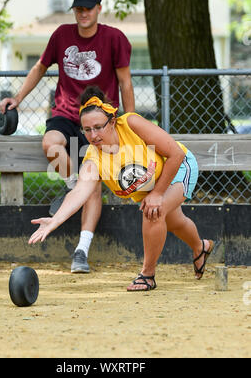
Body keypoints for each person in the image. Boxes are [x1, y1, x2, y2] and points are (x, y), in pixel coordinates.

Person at [0, 0, 135, 274]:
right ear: (74, 10)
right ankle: (74, 187)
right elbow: (38, 67)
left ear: (98, 8)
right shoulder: (61, 35)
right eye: (78, 8)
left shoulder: (114, 38)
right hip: (67, 115)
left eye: (88, 7)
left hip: (100, 121)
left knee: (94, 183)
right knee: (51, 144)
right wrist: (17, 100)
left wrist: (130, 123)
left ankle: (81, 252)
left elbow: (125, 83)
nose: (83, 13)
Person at [28, 86, 215, 291]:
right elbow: (79, 192)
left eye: (99, 127)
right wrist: (56, 220)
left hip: (179, 168)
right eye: (87, 130)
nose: (93, 135)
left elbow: (175, 155)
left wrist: (158, 193)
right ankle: (201, 247)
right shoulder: (93, 159)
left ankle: (147, 275)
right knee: (175, 222)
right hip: (151, 185)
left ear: (112, 122)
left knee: (153, 212)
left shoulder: (130, 124)